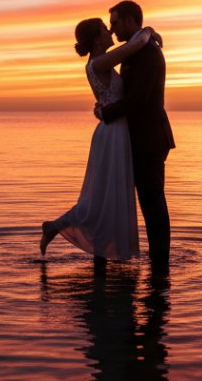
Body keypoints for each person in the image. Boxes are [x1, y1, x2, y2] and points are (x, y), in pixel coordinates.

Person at [40, 17, 159, 260]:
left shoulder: (101, 62)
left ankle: (100, 251)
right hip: (112, 133)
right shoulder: (100, 62)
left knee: (107, 194)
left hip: (115, 131)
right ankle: (56, 226)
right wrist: (147, 30)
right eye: (105, 29)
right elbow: (135, 45)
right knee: (101, 194)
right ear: (96, 38)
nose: (110, 31)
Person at [97, 0, 174, 267]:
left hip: (150, 139)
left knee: (153, 201)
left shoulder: (148, 54)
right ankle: (143, 257)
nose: (112, 29)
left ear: (130, 21)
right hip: (135, 139)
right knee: (140, 201)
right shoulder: (134, 51)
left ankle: (160, 264)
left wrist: (105, 113)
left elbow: (139, 98)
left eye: (115, 23)